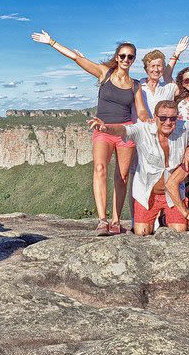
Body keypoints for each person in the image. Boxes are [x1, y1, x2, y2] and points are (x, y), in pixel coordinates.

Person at [31, 30, 148, 236]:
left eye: (130, 56)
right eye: (122, 56)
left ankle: (116, 220)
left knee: (121, 177)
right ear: (116, 57)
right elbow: (77, 58)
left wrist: (148, 119)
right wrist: (51, 42)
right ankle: (102, 220)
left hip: (124, 131)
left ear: (134, 59)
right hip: (101, 129)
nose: (126, 59)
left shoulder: (135, 85)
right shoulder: (105, 73)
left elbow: (140, 111)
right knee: (100, 169)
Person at [88, 100, 189, 236]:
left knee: (178, 232)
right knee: (142, 233)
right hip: (147, 194)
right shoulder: (143, 130)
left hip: (173, 195)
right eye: (163, 118)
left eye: (173, 118)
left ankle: (164, 219)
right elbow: (124, 130)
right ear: (155, 117)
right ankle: (161, 219)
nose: (168, 122)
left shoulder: (184, 128)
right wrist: (106, 128)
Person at [138, 36, 189, 118]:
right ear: (146, 69)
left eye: (159, 66)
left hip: (164, 129)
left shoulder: (169, 87)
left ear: (164, 68)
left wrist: (177, 53)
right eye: (152, 66)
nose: (156, 69)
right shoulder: (137, 85)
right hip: (142, 129)